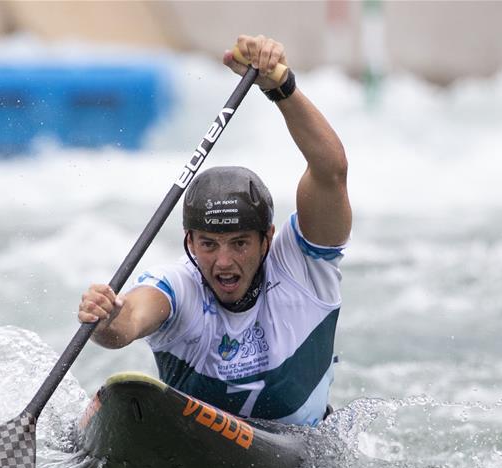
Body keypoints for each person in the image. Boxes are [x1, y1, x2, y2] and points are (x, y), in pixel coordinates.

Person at [78, 34, 351, 426]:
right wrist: (105, 320)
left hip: (312, 447)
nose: (223, 261)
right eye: (208, 244)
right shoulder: (181, 285)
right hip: (202, 447)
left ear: (267, 240)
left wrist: (282, 88)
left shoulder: (303, 266)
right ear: (188, 241)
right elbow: (129, 322)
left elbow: (331, 171)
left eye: (239, 243)